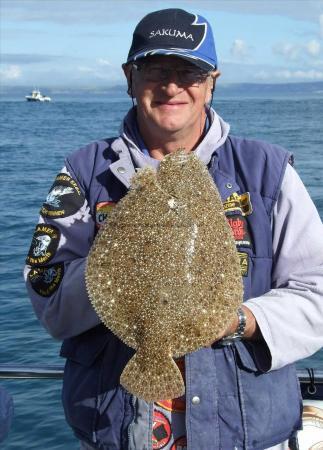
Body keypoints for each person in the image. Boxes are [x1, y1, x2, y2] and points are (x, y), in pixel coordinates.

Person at [24, 8, 323, 450]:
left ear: (211, 82)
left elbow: (316, 292)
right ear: (129, 77)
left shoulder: (268, 171)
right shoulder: (84, 171)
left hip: (247, 433)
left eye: (189, 72)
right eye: (155, 69)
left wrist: (236, 320)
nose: (170, 85)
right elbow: (48, 302)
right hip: (116, 431)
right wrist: (120, 262)